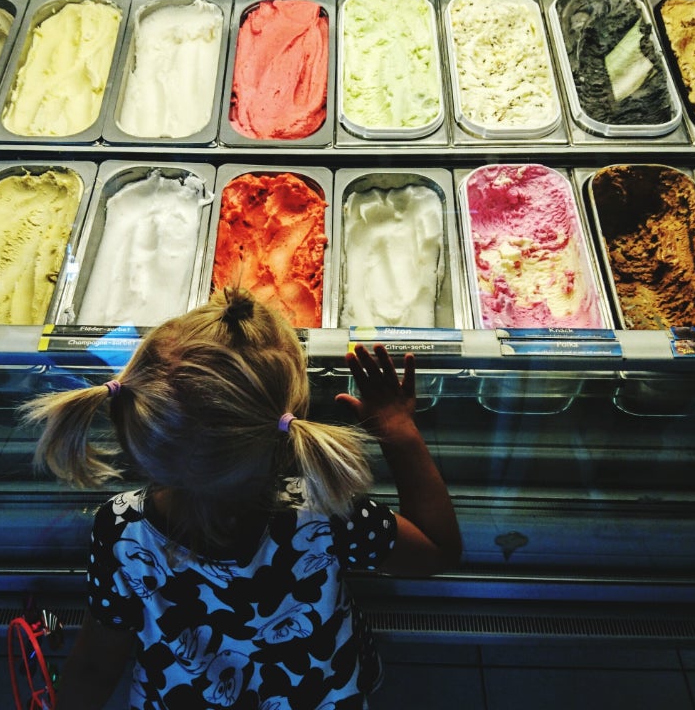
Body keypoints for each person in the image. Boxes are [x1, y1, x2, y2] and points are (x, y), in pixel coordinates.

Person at [24, 287, 461, 710]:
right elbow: (436, 550)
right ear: (290, 423)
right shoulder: (326, 510)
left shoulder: (120, 529)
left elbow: (97, 665)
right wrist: (398, 430)